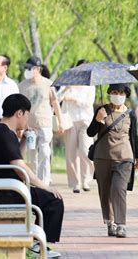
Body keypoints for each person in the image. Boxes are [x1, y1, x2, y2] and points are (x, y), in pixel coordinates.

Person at [0, 94, 64, 258]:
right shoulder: (5, 134)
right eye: (27, 115)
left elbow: (15, 158)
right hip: (2, 193)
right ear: (19, 113)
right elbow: (19, 167)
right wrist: (45, 186)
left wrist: (23, 141)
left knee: (45, 197)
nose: (27, 119)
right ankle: (37, 246)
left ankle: (36, 244)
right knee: (54, 200)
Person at [87, 84, 138, 238]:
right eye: (114, 92)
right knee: (105, 191)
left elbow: (134, 137)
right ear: (109, 93)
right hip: (102, 157)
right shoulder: (102, 110)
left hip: (124, 157)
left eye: (120, 93)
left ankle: (121, 224)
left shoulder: (130, 114)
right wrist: (98, 120)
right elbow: (90, 132)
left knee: (119, 189)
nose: (117, 95)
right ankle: (109, 222)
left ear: (125, 95)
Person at [19, 56, 65, 186]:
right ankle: (34, 182)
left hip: (45, 124)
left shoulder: (48, 83)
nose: (27, 70)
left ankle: (44, 182)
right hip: (30, 127)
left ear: (38, 69)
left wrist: (60, 121)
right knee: (32, 155)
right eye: (27, 68)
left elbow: (55, 102)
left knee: (45, 152)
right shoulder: (22, 85)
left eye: (30, 68)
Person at [57, 59, 95, 193]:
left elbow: (88, 102)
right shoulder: (69, 82)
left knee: (85, 151)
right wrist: (66, 90)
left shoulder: (91, 86)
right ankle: (76, 183)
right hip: (70, 121)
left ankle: (87, 179)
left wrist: (74, 99)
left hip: (85, 121)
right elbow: (57, 98)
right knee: (71, 153)